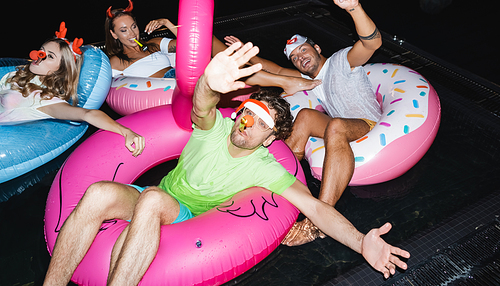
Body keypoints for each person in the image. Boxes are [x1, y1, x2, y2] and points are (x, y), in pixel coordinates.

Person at [43, 41, 409, 286]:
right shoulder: (214, 128)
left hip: (182, 214)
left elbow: (315, 207)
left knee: (154, 201)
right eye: (245, 114)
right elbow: (201, 104)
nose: (245, 124)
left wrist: (362, 243)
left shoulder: (265, 167)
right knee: (97, 193)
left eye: (258, 124)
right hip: (150, 194)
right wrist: (209, 81)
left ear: (268, 139)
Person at [224, 0, 383, 246]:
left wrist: (354, 8)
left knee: (336, 127)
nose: (300, 58)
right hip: (340, 125)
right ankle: (277, 189)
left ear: (317, 47)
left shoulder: (342, 60)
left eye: (303, 50)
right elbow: (272, 68)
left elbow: (372, 42)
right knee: (307, 116)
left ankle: (319, 220)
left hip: (368, 123)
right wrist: (245, 52)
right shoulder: (309, 79)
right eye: (295, 58)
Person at [105, 0, 321, 95]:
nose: (132, 33)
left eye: (133, 26)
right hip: (160, 89)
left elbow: (193, 44)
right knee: (226, 67)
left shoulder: (152, 45)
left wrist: (168, 24)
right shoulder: (116, 62)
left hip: (182, 76)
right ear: (114, 34)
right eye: (124, 30)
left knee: (224, 62)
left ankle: (286, 82)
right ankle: (286, 82)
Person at [0, 22, 145, 157]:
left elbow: (87, 114)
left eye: (50, 56)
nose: (40, 56)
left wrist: (126, 132)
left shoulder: (46, 100)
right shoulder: (16, 75)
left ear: (61, 69)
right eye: (41, 50)